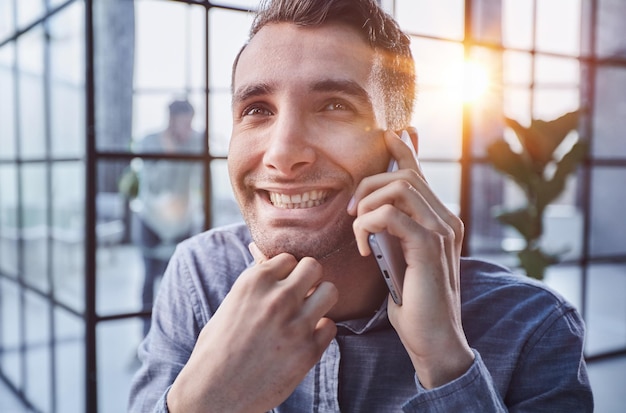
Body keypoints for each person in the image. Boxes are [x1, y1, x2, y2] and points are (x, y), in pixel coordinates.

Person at [129, 1, 593, 412]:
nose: (282, 154)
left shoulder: (537, 328)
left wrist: (445, 362)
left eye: (333, 106)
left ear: (401, 155)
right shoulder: (199, 277)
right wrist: (202, 406)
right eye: (257, 110)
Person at [131, 99, 203, 337]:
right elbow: (154, 185)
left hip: (182, 220)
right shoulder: (150, 141)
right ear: (171, 120)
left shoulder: (195, 142)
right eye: (184, 122)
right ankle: (146, 337)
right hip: (151, 220)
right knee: (149, 277)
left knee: (178, 279)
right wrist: (168, 152)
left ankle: (175, 336)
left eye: (191, 122)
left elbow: (200, 180)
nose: (188, 127)